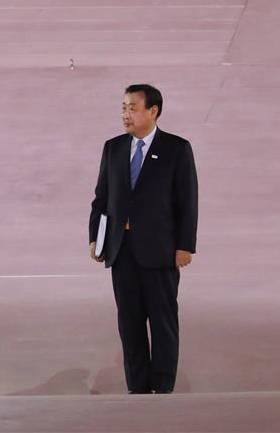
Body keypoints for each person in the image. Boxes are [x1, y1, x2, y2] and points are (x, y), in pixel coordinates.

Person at [88, 84, 198, 394]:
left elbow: (187, 201)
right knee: (130, 323)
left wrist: (184, 246)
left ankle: (162, 385)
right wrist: (96, 237)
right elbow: (101, 198)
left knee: (162, 322)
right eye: (123, 107)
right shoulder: (113, 148)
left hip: (160, 252)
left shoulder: (177, 149)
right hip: (121, 252)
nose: (126, 114)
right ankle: (137, 385)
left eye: (133, 108)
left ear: (153, 111)